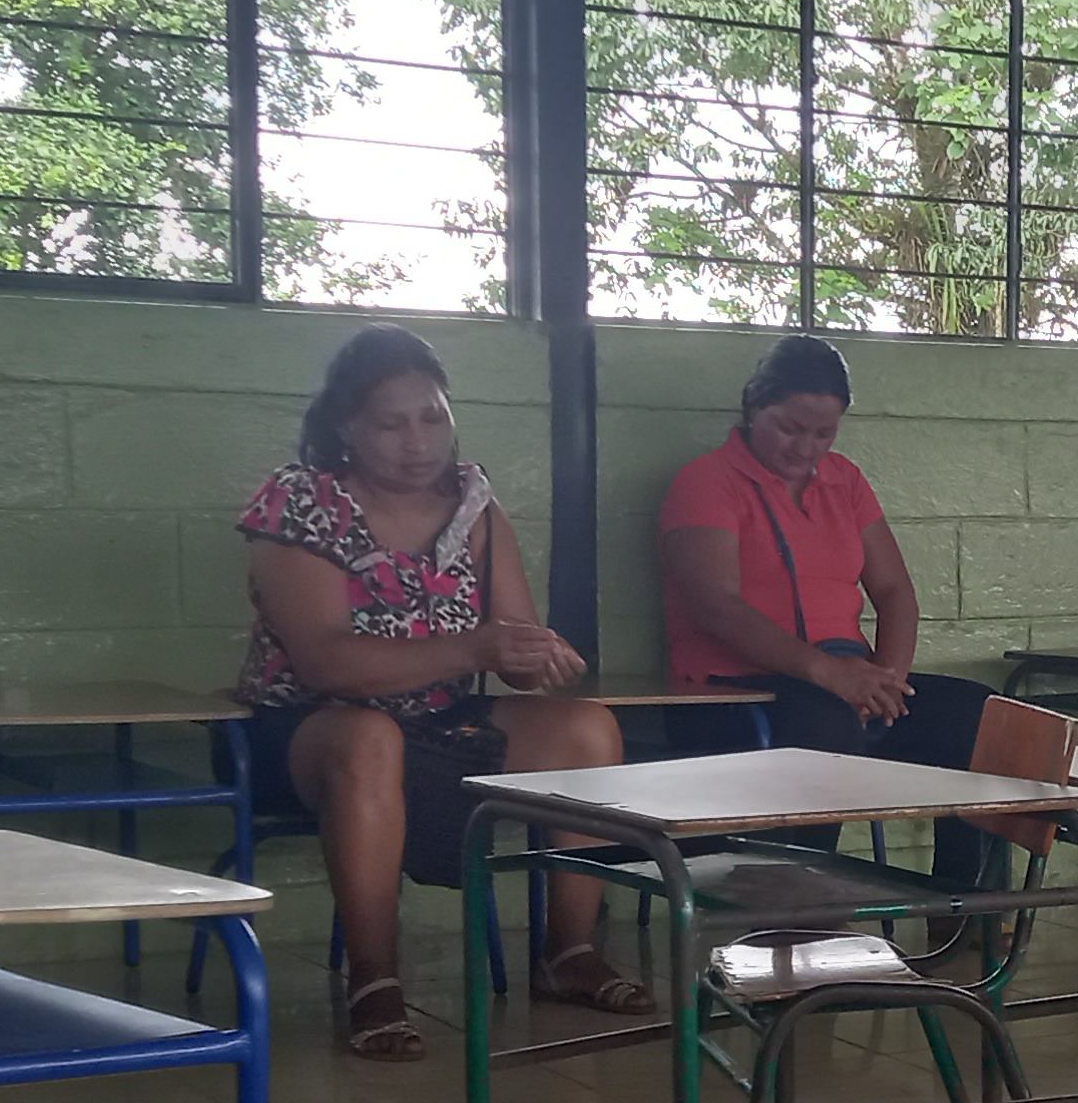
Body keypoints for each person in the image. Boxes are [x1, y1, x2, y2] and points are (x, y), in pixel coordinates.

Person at [238, 324, 646, 1061]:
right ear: (346, 429)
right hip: (310, 726)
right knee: (370, 738)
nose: (417, 441)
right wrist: (474, 647)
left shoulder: (473, 505)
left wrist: (535, 657)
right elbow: (327, 664)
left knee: (588, 728)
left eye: (432, 418)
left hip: (439, 718)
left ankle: (568, 951)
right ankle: (374, 978)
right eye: (390, 424)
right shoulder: (300, 501)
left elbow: (510, 637)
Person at [656, 331, 1000, 883]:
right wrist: (830, 674)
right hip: (735, 690)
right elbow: (716, 606)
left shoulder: (846, 481)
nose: (806, 448)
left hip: (845, 680)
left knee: (983, 716)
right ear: (753, 408)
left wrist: (887, 683)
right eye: (789, 428)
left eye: (824, 433)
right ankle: (800, 906)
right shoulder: (706, 482)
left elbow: (895, 591)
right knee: (826, 723)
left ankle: (960, 906)